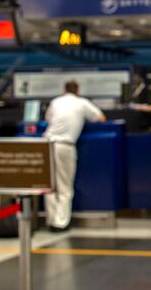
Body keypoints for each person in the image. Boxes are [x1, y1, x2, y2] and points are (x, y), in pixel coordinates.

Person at [43, 81, 106, 232]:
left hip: (46, 144)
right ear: (77, 90)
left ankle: (51, 220)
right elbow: (101, 118)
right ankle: (61, 223)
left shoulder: (56, 101)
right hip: (65, 145)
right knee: (65, 186)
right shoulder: (82, 103)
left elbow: (47, 120)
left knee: (49, 185)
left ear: (64, 90)